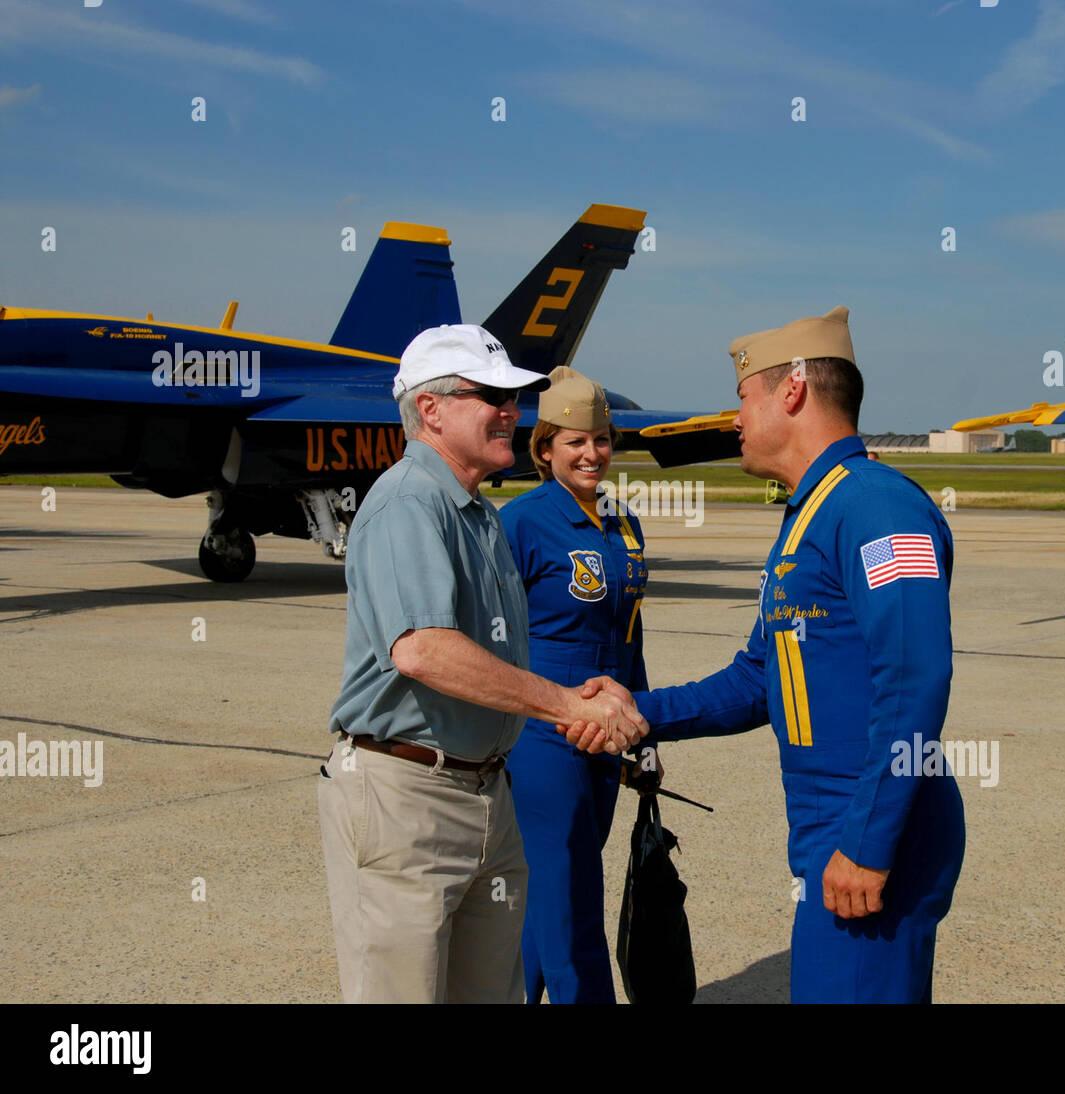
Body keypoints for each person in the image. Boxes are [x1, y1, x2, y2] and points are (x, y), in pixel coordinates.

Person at [562, 307, 965, 1004]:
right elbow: (758, 678)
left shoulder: (874, 506)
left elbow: (914, 674)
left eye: (744, 396)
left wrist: (869, 842)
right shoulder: (808, 513)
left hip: (873, 822)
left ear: (793, 390)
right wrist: (636, 710)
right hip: (828, 822)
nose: (735, 417)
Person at [317, 324, 647, 1004]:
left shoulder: (478, 514)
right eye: (490, 395)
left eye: (512, 396)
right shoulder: (411, 502)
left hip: (484, 793)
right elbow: (422, 649)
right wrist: (564, 706)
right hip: (409, 798)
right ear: (430, 409)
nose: (510, 411)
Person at [499, 365, 651, 1004]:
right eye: (574, 443)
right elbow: (489, 636)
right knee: (573, 896)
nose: (592, 454)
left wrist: (644, 729)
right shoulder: (520, 522)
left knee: (553, 895)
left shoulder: (622, 522)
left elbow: (629, 635)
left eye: (601, 441)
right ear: (544, 449)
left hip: (607, 734)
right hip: (544, 732)